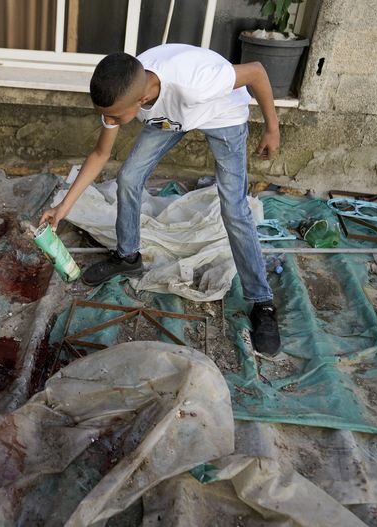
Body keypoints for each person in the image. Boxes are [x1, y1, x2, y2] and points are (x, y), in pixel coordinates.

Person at [39, 44, 282, 357]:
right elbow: (101, 154)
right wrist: (63, 208)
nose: (109, 121)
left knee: (234, 208)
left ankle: (262, 302)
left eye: (113, 117)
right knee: (128, 178)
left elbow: (257, 72)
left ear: (140, 101)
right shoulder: (124, 85)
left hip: (221, 113)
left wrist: (272, 129)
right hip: (172, 116)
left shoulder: (198, 82)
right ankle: (128, 257)